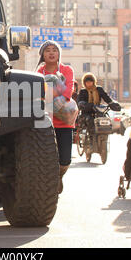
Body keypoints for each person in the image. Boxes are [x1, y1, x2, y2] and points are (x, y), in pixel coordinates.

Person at [36, 40, 75, 194]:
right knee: (45, 158)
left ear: (59, 53)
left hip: (64, 121)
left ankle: (59, 176)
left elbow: (67, 93)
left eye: (54, 50)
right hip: (44, 122)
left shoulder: (67, 70)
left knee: (65, 159)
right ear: (42, 55)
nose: (51, 53)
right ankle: (49, 182)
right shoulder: (38, 73)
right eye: (47, 50)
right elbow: (35, 95)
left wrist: (48, 93)